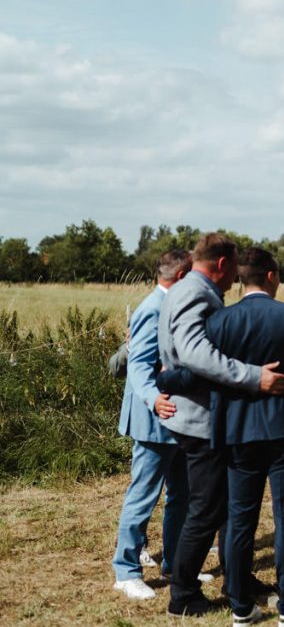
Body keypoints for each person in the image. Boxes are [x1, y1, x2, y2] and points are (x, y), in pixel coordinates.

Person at [160, 249, 284, 627]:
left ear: (244, 277)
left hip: (236, 434)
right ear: (271, 277)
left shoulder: (221, 320)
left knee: (239, 520)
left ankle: (241, 610)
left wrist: (164, 380)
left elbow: (202, 373)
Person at [111, 250, 192, 600]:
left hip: (179, 418)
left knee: (181, 495)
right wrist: (153, 399)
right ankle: (126, 570)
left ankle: (174, 564)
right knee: (143, 495)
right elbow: (139, 366)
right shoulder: (152, 309)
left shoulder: (175, 306)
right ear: (181, 276)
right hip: (153, 418)